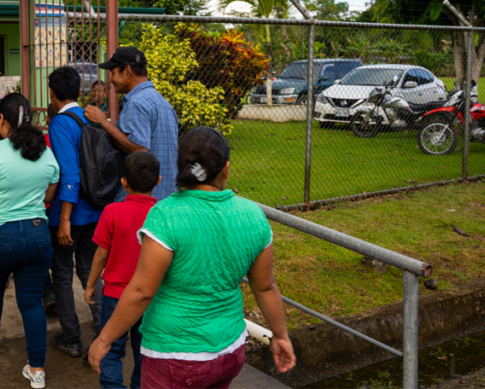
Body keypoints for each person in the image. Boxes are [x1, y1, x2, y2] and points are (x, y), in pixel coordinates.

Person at [88, 127, 297, 389]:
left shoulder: (166, 215)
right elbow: (265, 286)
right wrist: (280, 336)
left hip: (174, 357)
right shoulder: (253, 215)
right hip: (229, 350)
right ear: (226, 168)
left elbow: (142, 291)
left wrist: (105, 339)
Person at [0, 93, 59, 389]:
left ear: (2, 120)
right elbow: (47, 196)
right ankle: (37, 370)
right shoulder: (46, 152)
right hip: (37, 236)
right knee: (31, 303)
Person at [84, 152, 161, 389]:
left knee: (110, 348)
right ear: (158, 181)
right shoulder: (163, 214)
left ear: (123, 181)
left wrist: (90, 285)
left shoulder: (112, 211)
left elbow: (101, 254)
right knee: (143, 351)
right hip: (151, 296)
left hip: (115, 295)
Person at [46, 66, 103, 358]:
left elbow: (69, 173)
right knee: (89, 269)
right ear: (79, 91)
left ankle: (71, 338)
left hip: (69, 212)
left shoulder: (59, 123)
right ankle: (104, 329)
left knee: (63, 274)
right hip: (95, 208)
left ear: (51, 93)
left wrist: (65, 219)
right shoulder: (91, 117)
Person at [84, 47, 179, 201]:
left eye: (113, 73)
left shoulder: (136, 103)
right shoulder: (163, 103)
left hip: (144, 199)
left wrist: (103, 123)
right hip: (167, 195)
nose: (111, 80)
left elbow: (140, 149)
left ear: (127, 71)